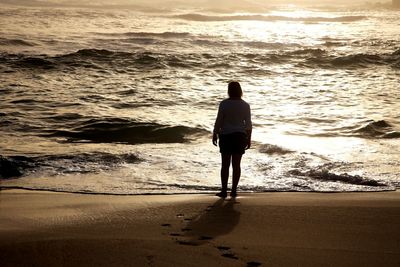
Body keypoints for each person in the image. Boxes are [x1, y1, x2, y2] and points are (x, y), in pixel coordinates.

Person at [212, 81, 252, 198]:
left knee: (225, 165)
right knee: (236, 165)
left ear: (229, 90)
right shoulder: (245, 105)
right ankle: (234, 190)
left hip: (226, 135)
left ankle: (224, 191)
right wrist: (248, 139)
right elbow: (248, 124)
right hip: (240, 136)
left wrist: (215, 133)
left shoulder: (224, 104)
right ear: (240, 91)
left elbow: (219, 120)